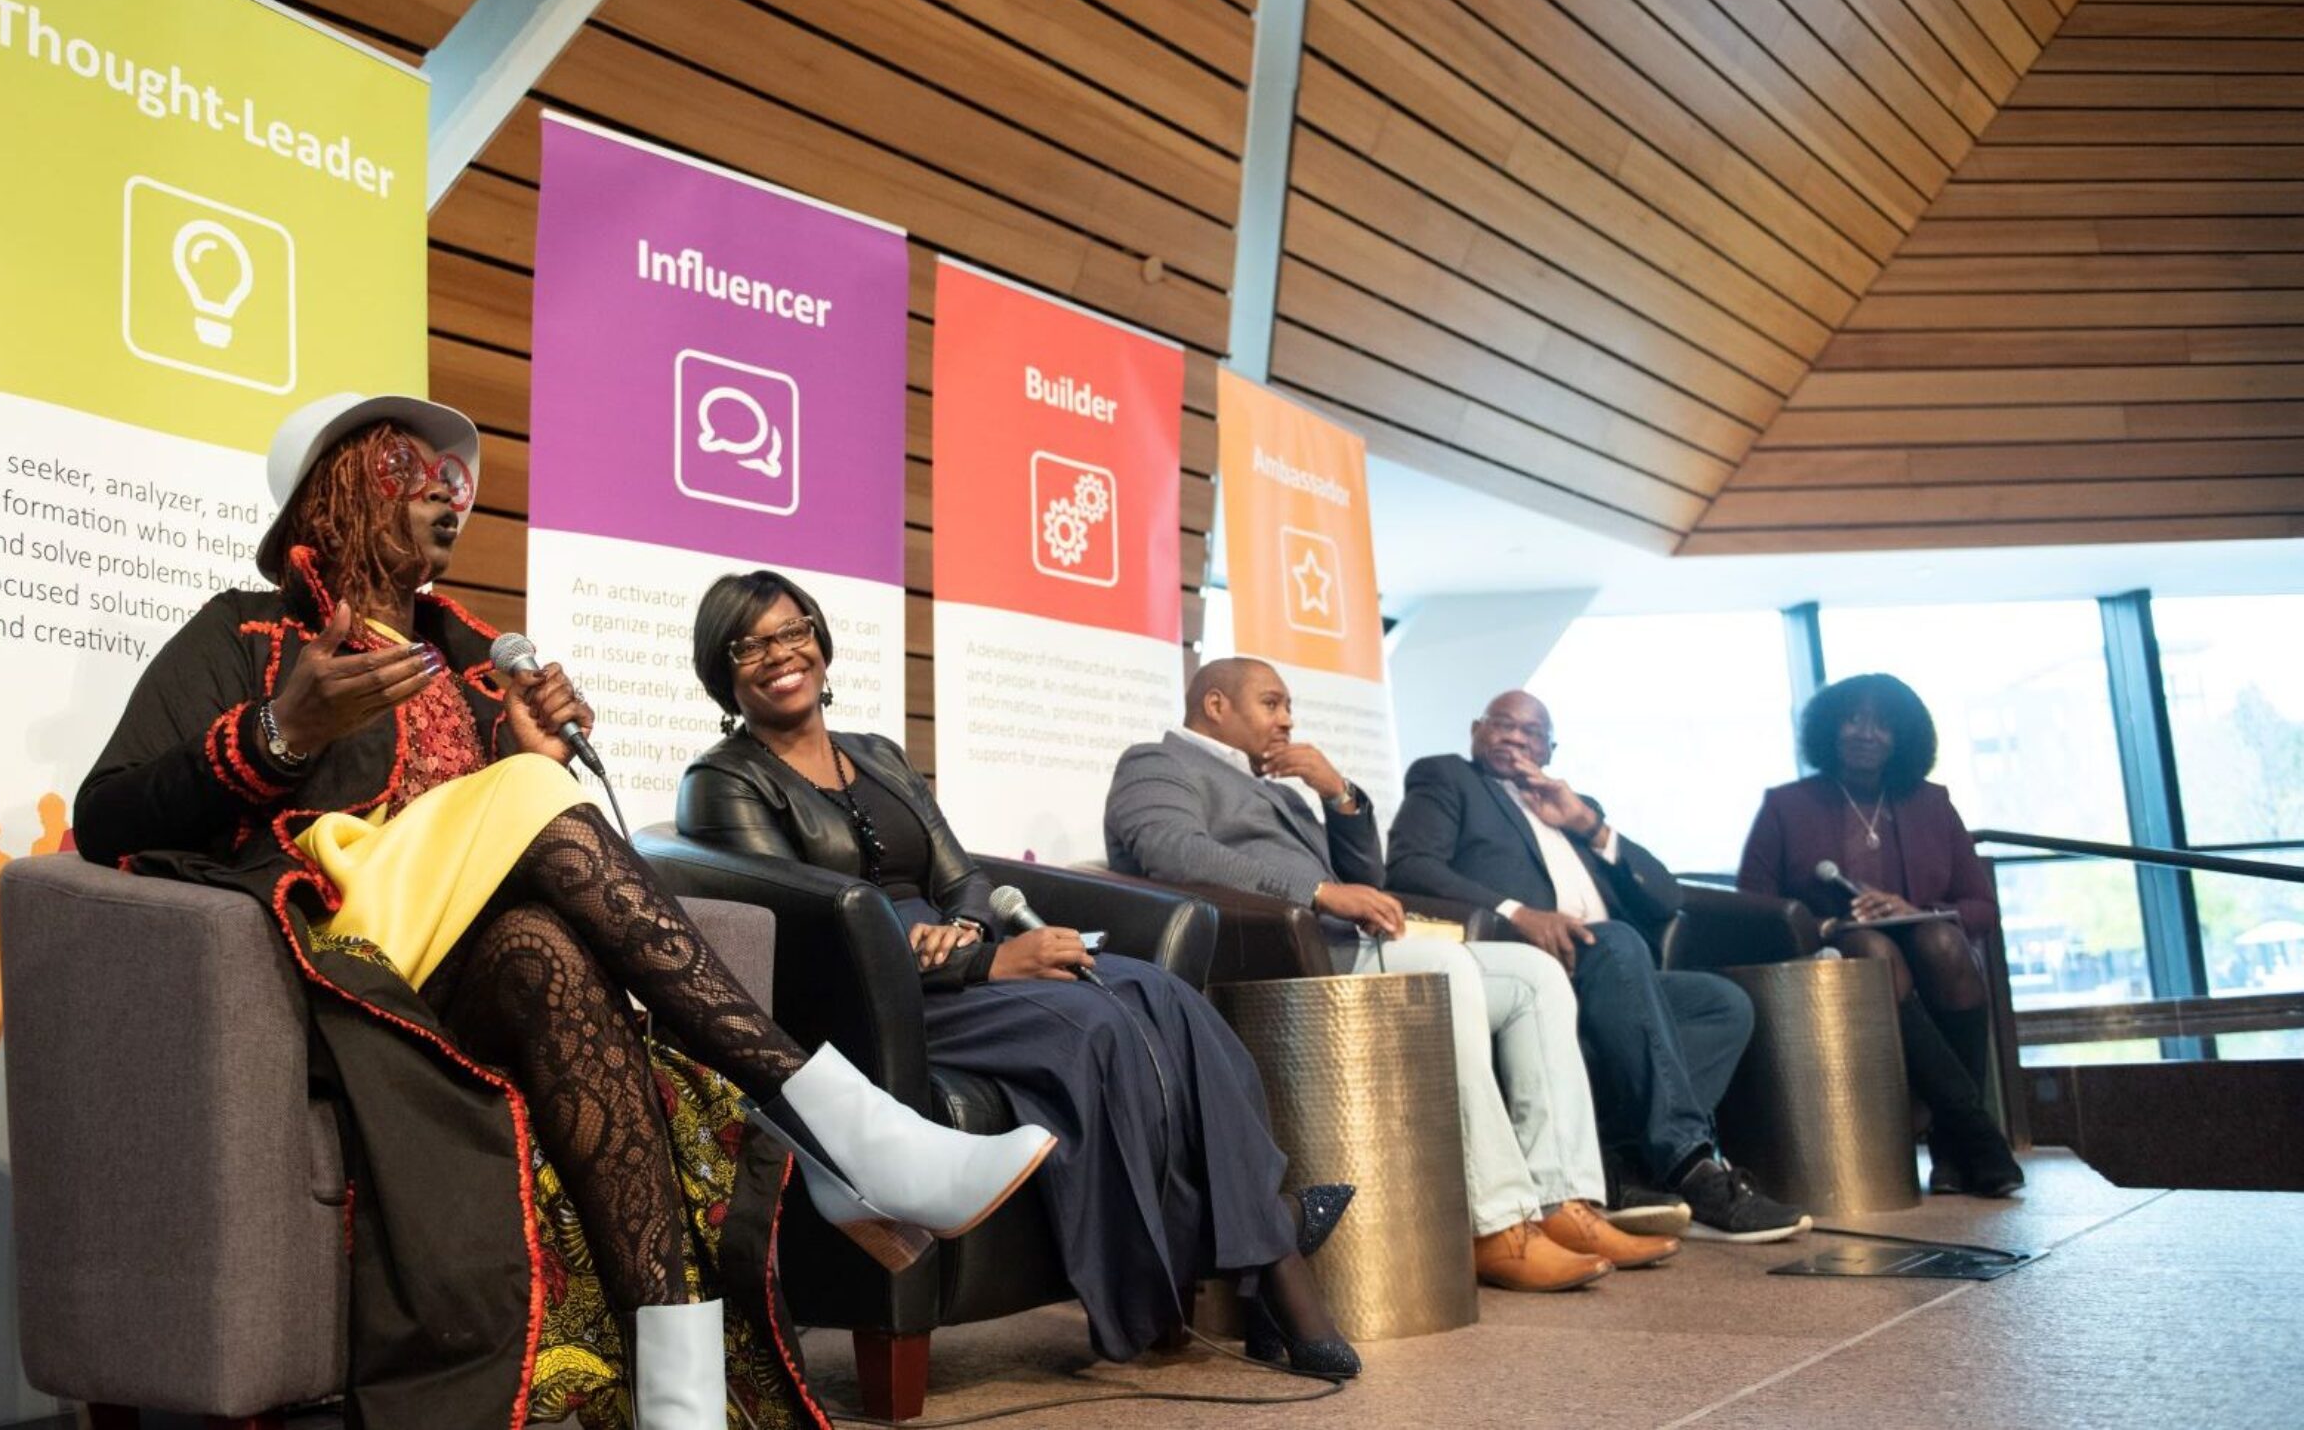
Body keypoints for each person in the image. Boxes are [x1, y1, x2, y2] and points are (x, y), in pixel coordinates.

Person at [73, 394, 1053, 1430]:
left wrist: (521, 758)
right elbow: (108, 813)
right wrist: (279, 731)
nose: (451, 497)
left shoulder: (470, 662)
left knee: (549, 954)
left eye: (461, 481)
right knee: (545, 799)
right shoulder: (249, 631)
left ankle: (680, 1401)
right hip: (347, 947)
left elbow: (491, 850)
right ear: (339, 484)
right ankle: (842, 1129)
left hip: (463, 954)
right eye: (416, 471)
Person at [676, 572, 1359, 1376]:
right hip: (872, 1002)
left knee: (1167, 997)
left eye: (793, 631)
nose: (779, 655)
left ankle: (1271, 1261)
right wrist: (985, 959)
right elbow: (805, 922)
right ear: (721, 672)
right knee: (1098, 1024)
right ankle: (1276, 1253)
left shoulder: (879, 756)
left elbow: (959, 873)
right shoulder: (722, 781)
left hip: (955, 963)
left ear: (821, 642)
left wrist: (966, 927)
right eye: (749, 645)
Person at [1105, 658, 1677, 1293]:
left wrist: (1339, 795)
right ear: (1215, 705)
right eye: (1272, 703)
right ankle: (1495, 1224)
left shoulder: (1280, 788)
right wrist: (1318, 891)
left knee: (1534, 976)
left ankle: (1561, 1201)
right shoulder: (1157, 763)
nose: (1288, 719)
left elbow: (1368, 881)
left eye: (1289, 705)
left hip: (1342, 947)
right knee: (1442, 965)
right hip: (1273, 960)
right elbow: (1174, 853)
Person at [1387, 691, 1809, 1244]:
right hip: (1536, 963)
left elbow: (1664, 897)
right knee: (1614, 940)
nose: (1515, 737)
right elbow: (1410, 866)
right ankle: (1691, 1165)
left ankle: (1624, 1167)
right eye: (1502, 724)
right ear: (1474, 729)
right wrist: (1518, 915)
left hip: (1617, 973)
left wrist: (1589, 824)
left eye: (1531, 732)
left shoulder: (1571, 807)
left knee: (1719, 1004)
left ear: (1550, 748)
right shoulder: (1448, 779)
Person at [1740, 673, 2025, 1197]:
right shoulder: (1786, 806)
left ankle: (1951, 1147)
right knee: (1874, 950)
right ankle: (1974, 1134)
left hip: (1929, 963)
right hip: (1832, 952)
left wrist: (1915, 910)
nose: (1865, 733)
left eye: (1883, 724)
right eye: (1853, 718)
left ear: (1903, 738)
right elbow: (1752, 909)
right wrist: (1828, 925)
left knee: (1942, 940)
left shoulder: (1933, 804)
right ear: (1829, 728)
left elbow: (1982, 909)